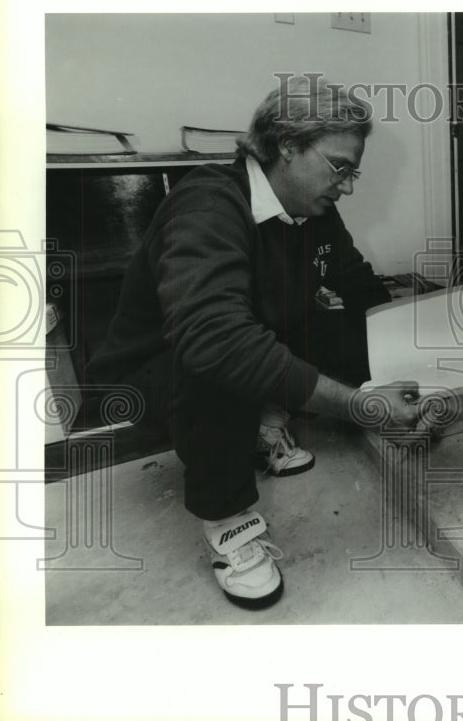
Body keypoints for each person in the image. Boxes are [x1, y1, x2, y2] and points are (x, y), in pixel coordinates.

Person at [89, 76, 421, 609]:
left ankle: (263, 419)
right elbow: (213, 340)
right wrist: (359, 406)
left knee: (340, 320)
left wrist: (404, 357)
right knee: (220, 359)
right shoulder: (207, 204)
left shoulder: (316, 211)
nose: (349, 185)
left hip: (238, 340)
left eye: (353, 171)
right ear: (287, 145)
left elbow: (357, 282)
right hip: (155, 369)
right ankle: (230, 525)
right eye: (340, 166)